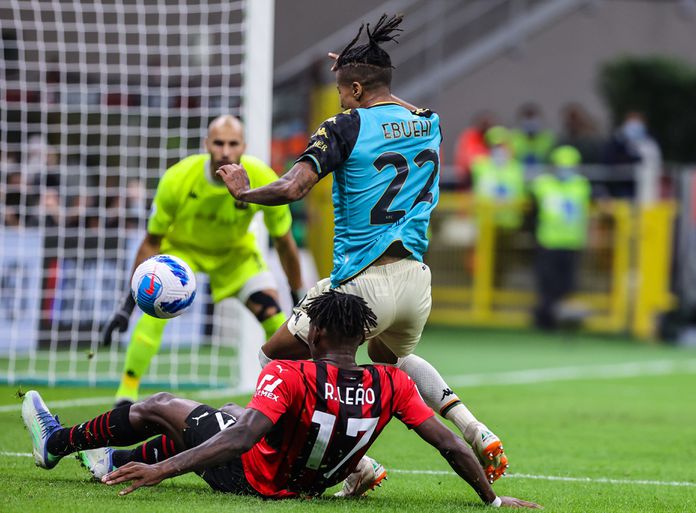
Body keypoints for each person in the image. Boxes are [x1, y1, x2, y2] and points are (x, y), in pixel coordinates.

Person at [216, 14, 509, 490]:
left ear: (354, 89)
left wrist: (244, 192)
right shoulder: (429, 122)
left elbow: (293, 187)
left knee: (274, 360)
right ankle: (472, 426)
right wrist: (361, 68)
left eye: (342, 89)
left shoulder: (344, 126)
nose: (339, 98)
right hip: (415, 284)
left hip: (361, 283)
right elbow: (393, 102)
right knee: (391, 363)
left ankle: (356, 465)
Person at [22, 291, 540, 509]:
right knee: (223, 416)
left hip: (253, 478)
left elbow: (243, 439)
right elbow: (449, 443)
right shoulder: (392, 383)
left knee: (159, 405)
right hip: (313, 482)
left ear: (316, 333)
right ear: (360, 338)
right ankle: (115, 460)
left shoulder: (289, 373)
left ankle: (57, 441)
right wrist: (492, 500)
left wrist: (164, 471)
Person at [102, 115, 304, 404]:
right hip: (184, 254)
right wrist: (127, 305)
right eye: (218, 143)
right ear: (206, 144)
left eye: (232, 144)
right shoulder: (178, 178)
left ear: (244, 147)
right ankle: (126, 393)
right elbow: (151, 242)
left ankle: (294, 395)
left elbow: (285, 242)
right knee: (155, 309)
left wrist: (298, 297)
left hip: (236, 256)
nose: (225, 151)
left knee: (276, 320)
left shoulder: (263, 178)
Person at [529, 146, 591, 330]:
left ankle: (562, 320)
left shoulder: (581, 185)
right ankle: (545, 320)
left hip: (572, 242)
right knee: (547, 284)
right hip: (548, 241)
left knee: (566, 285)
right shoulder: (543, 184)